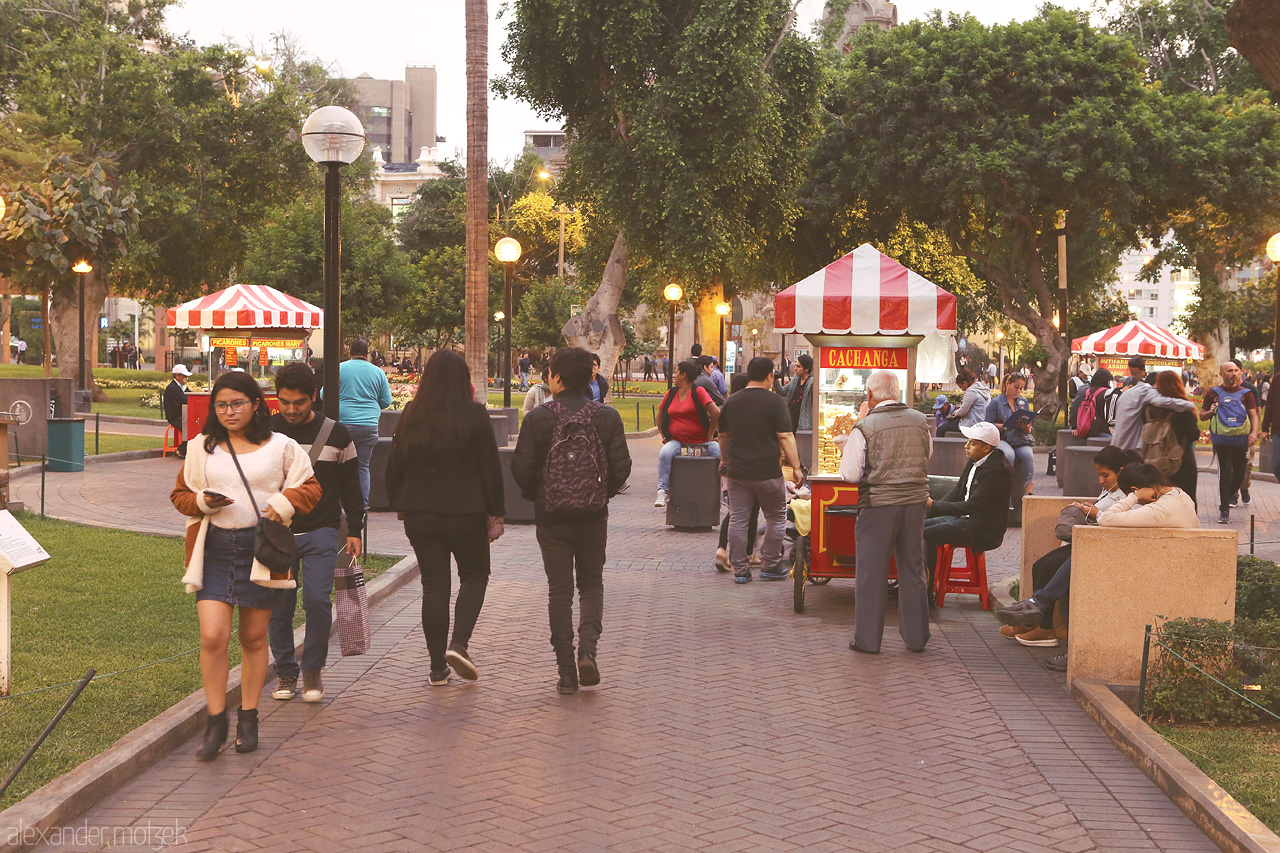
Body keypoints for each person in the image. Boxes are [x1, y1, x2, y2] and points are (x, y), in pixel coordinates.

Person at [170, 372, 322, 761]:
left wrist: (285, 503)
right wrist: (203, 501)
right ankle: (215, 719)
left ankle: (249, 717)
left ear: (256, 403)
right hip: (215, 549)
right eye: (221, 405)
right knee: (213, 637)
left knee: (254, 639)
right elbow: (180, 494)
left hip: (262, 550)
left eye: (237, 403)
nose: (229, 411)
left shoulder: (282, 447)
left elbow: (311, 487)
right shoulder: (203, 448)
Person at [998, 462, 1198, 671]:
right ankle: (1041, 605)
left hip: (1165, 571)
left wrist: (1132, 498)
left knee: (1082, 574)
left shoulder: (1162, 508)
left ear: (1136, 490)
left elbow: (1108, 519)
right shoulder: (1178, 495)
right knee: (1075, 563)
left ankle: (1042, 606)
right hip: (1160, 561)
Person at [511, 347, 632, 694]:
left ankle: (566, 668)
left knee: (559, 590)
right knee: (591, 584)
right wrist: (598, 494)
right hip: (593, 516)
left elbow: (520, 467)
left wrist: (544, 493)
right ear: (591, 375)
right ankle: (588, 651)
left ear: (556, 377)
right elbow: (622, 467)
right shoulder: (607, 417)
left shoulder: (539, 418)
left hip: (551, 518)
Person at [386, 351, 505, 686]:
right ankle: (459, 644)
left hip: (421, 514)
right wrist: (496, 512)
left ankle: (437, 668)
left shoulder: (412, 413)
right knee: (475, 575)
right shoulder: (474, 414)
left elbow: (396, 462)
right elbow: (489, 467)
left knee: (434, 587)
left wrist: (398, 500)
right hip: (466, 512)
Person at [267, 363, 365, 704]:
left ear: (314, 397)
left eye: (299, 402)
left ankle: (312, 669)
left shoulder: (337, 435)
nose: (291, 410)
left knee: (318, 602)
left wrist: (355, 528)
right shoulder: (265, 432)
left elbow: (352, 487)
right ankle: (285, 671)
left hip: (323, 529)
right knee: (279, 606)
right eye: (285, 402)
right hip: (276, 533)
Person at [1000, 446, 1141, 649]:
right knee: (1040, 565)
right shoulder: (1111, 489)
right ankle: (1035, 620)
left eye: (1105, 475)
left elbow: (1117, 521)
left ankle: (1046, 628)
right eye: (1099, 475)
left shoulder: (1128, 494)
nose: (1101, 480)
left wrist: (1095, 514)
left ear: (1121, 470)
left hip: (1103, 546)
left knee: (1049, 568)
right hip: (1089, 540)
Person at [836, 370, 932, 654]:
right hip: (915, 503)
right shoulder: (919, 421)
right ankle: (916, 638)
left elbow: (850, 474)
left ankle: (867, 639)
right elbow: (927, 456)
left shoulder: (865, 426)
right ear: (897, 393)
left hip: (878, 504)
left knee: (871, 572)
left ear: (869, 395)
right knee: (913, 569)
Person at [717, 356, 804, 584]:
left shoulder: (732, 401)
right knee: (776, 516)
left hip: (737, 471)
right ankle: (770, 565)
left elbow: (723, 435)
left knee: (738, 518)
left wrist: (724, 459)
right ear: (770, 376)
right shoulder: (775, 402)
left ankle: (741, 570)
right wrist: (796, 467)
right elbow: (785, 435)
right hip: (767, 471)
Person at [923, 422, 1012, 595]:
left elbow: (972, 505)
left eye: (972, 443)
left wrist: (933, 504)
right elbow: (957, 493)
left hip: (982, 527)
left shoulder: (997, 472)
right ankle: (917, 583)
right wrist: (929, 511)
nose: (966, 446)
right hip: (966, 519)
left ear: (986, 448)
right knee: (919, 525)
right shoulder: (975, 461)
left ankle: (927, 590)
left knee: (926, 534)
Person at [655, 361, 721, 506]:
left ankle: (726, 491)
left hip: (701, 443)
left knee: (720, 454)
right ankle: (662, 491)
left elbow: (716, 412)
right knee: (665, 453)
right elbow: (659, 415)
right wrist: (663, 435)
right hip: (677, 442)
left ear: (683, 375)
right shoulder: (671, 393)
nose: (673, 375)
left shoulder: (698, 391)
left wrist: (710, 435)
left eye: (676, 372)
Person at [1201, 359, 1258, 524]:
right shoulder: (1213, 393)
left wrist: (1254, 433)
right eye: (1229, 371)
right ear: (1221, 374)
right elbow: (1202, 415)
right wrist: (1211, 411)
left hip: (1241, 440)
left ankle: (1229, 495)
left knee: (1240, 474)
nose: (1233, 373)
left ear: (1240, 372)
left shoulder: (1247, 393)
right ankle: (1224, 509)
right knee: (1225, 472)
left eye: (1235, 370)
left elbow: (1254, 415)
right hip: (1222, 440)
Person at [337, 338, 393, 505]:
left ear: (350, 352)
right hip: (368, 426)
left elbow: (325, 395)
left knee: (342, 467)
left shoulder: (339, 369)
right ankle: (363, 506)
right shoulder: (378, 372)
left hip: (343, 425)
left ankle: (342, 507)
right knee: (362, 466)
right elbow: (386, 401)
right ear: (368, 354)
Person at [715, 374, 760, 571]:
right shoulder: (749, 410)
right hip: (749, 466)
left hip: (730, 466)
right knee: (749, 511)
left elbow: (722, 435)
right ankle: (746, 553)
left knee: (734, 510)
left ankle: (723, 549)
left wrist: (724, 461)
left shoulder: (729, 408)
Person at [1142, 371, 1200, 504]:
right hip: (1181, 460)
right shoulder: (1183, 408)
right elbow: (1193, 434)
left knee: (1159, 498)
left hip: (1154, 460)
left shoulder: (1148, 408)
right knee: (1186, 498)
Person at [1110, 367, 1197, 454]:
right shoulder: (1148, 391)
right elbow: (1161, 401)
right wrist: (1190, 405)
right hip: (1135, 448)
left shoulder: (1130, 392)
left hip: (1119, 444)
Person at [985, 374, 1034, 496]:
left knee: (1028, 454)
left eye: (1021, 388)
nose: (1018, 391)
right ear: (1007, 384)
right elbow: (987, 425)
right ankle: (1007, 492)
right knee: (1009, 455)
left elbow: (1029, 428)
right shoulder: (996, 403)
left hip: (1019, 438)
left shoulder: (1023, 402)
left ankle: (1029, 491)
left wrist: (1026, 428)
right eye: (1016, 387)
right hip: (1002, 438)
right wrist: (1005, 426)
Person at [937, 368, 990, 437]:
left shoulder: (971, 391)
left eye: (961, 387)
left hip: (972, 423)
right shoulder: (983, 388)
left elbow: (962, 412)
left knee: (941, 428)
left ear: (965, 383)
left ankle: (939, 447)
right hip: (982, 421)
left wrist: (954, 413)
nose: (962, 390)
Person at [1069, 367, 1113, 437]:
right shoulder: (1105, 392)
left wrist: (1074, 426)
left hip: (1082, 426)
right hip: (1097, 430)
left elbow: (1074, 406)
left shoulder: (1084, 389)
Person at [164, 364, 192, 458]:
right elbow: (185, 400)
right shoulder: (173, 388)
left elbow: (191, 396)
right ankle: (182, 450)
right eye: (184, 376)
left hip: (184, 415)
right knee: (189, 425)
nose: (186, 379)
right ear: (177, 376)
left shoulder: (182, 387)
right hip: (175, 417)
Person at [781, 354, 814, 433]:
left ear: (806, 369)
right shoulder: (796, 379)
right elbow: (783, 391)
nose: (795, 369)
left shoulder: (811, 382)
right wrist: (775, 381)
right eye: (795, 366)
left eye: (798, 367)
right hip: (790, 415)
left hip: (802, 418)